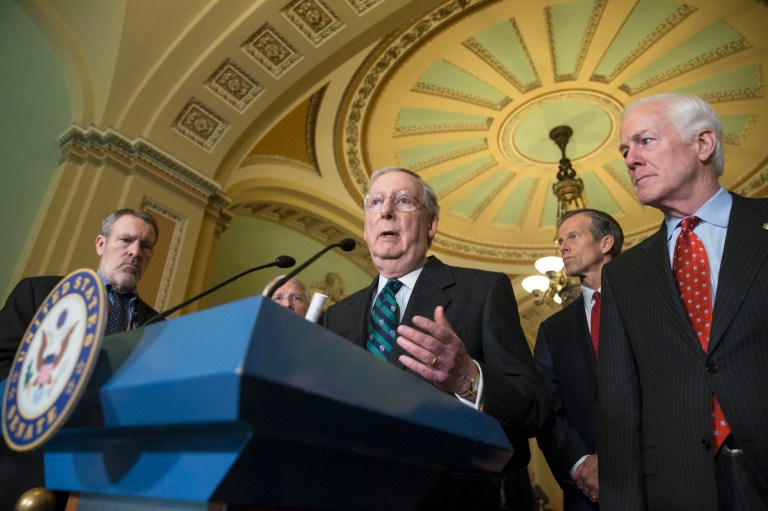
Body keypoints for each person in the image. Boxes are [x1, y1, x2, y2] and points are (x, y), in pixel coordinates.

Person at [324, 167, 552, 510]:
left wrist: (467, 379)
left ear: (431, 224)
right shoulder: (337, 314)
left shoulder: (483, 291)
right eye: (375, 202)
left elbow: (534, 409)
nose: (385, 210)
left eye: (402, 201)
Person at [599, 93, 768, 509]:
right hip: (679, 487)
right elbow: (620, 409)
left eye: (645, 141)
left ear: (703, 144)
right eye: (625, 149)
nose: (630, 159)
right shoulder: (623, 275)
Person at [0, 208, 161, 510]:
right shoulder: (40, 292)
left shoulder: (159, 326)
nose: (135, 252)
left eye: (146, 245)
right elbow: (2, 361)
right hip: (25, 460)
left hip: (103, 477)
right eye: (125, 240)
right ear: (101, 244)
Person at [534, 208, 623, 511]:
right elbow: (547, 410)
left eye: (573, 236)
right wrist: (581, 464)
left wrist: (620, 460)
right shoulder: (552, 330)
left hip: (659, 478)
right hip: (586, 494)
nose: (562, 246)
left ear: (605, 243)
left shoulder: (647, 303)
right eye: (560, 240)